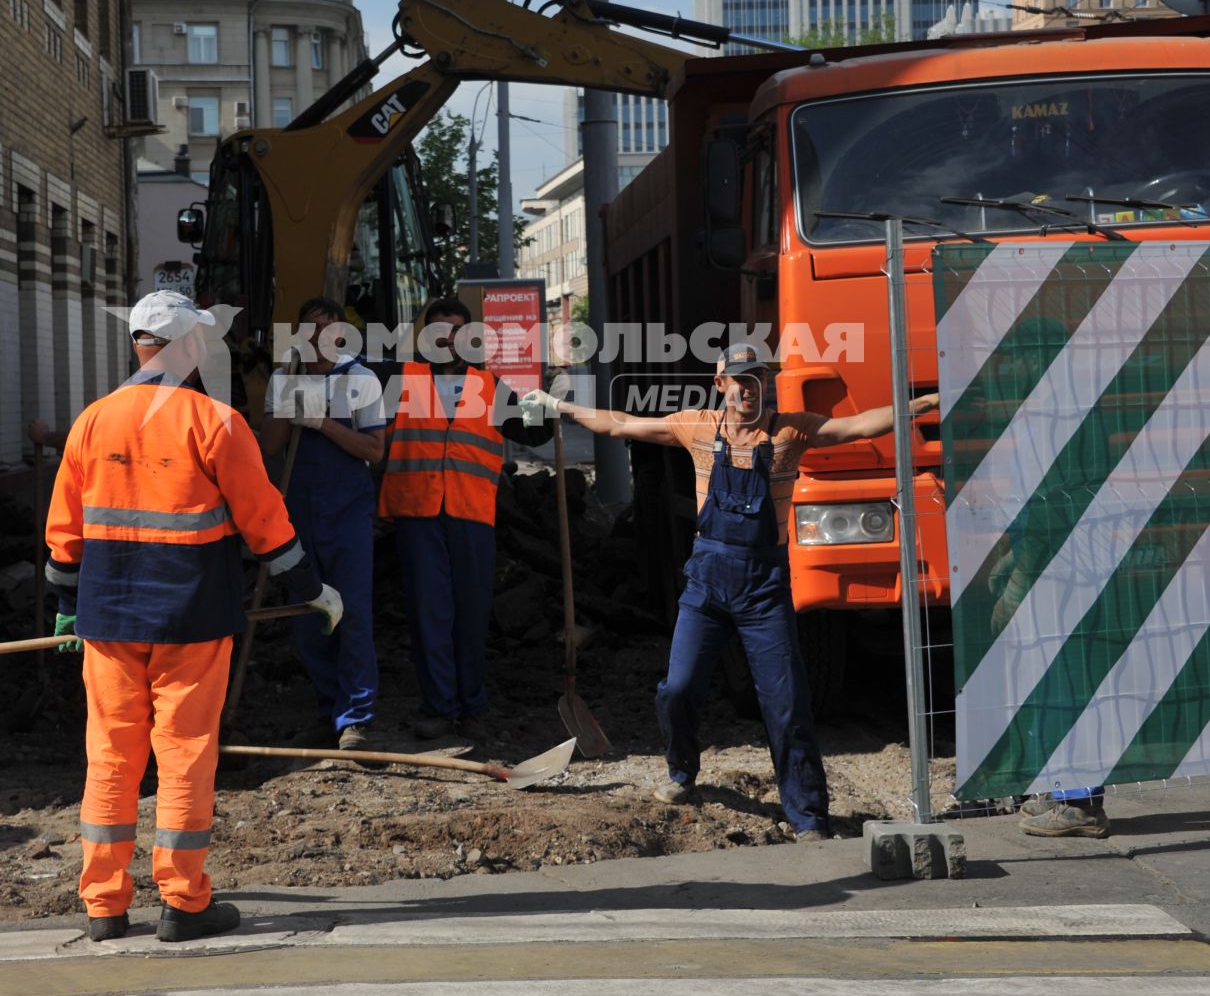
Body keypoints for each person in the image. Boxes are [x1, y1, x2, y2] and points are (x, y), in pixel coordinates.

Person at [524, 344, 937, 842]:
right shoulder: (697, 427)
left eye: (758, 377)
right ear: (720, 385)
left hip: (764, 589)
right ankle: (682, 772)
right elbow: (621, 424)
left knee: (786, 702)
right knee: (678, 689)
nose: (749, 388)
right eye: (739, 379)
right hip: (706, 584)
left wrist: (920, 405)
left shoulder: (792, 429)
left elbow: (858, 426)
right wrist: (560, 407)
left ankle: (807, 816)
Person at [45, 290, 343, 945]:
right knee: (183, 755)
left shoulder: (93, 422)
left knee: (110, 757)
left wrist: (68, 607)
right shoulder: (216, 422)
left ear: (137, 345)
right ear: (187, 348)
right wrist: (312, 587)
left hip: (108, 620)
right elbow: (267, 524)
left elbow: (63, 534)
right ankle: (183, 901)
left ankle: (103, 905)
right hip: (191, 617)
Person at [380, 296, 553, 742]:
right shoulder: (399, 379)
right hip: (418, 512)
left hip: (470, 514)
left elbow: (532, 431)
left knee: (471, 614)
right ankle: (439, 706)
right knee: (428, 613)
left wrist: (546, 403)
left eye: (457, 332)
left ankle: (471, 706)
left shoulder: (489, 387)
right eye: (440, 332)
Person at [259, 296, 386, 750]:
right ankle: (327, 711)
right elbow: (272, 447)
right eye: (311, 329)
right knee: (309, 613)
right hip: (299, 511)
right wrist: (288, 405)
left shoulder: (361, 380)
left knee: (349, 611)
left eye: (330, 329)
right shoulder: (282, 377)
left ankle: (356, 717)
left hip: (348, 511)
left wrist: (323, 423)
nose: (321, 338)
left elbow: (374, 450)